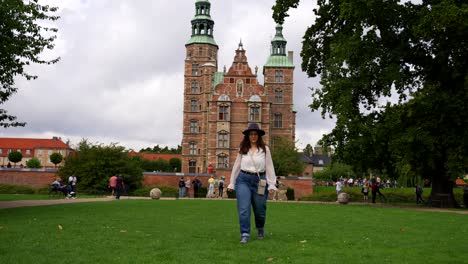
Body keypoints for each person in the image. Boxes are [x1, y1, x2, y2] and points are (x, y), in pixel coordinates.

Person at [227, 123, 277, 244]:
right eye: (251, 134)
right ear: (248, 136)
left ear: (259, 136)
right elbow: (237, 166)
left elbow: (270, 167)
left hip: (260, 181)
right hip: (243, 179)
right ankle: (245, 233)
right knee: (244, 208)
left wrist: (271, 184)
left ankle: (260, 228)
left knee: (260, 210)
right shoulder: (243, 148)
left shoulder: (265, 149)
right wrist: (232, 183)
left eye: (255, 134)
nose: (253, 136)